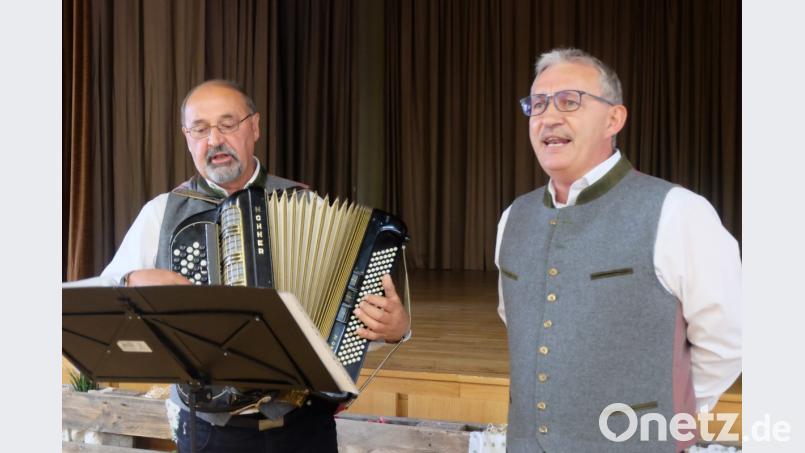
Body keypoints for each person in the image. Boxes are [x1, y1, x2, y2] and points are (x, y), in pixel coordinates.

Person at [99, 79, 411, 452]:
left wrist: (394, 329)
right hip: (210, 429)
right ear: (187, 137)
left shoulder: (304, 205)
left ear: (254, 127)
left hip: (303, 424)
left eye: (227, 124)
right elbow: (106, 296)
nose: (214, 140)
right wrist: (131, 280)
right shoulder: (162, 212)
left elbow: (343, 321)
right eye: (200, 129)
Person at [495, 48, 741, 452]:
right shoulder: (512, 218)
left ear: (614, 118)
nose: (549, 116)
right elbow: (521, 321)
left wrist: (668, 418)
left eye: (569, 101)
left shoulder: (679, 211)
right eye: (537, 104)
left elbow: (729, 338)